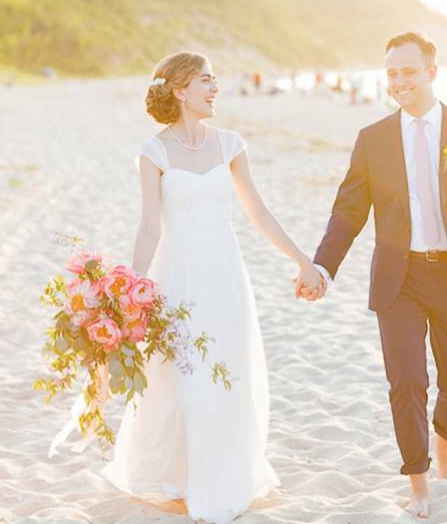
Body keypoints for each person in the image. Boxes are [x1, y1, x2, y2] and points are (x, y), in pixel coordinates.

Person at [297, 31, 447, 518]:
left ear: (432, 73)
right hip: (400, 279)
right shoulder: (372, 140)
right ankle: (418, 478)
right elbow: (348, 212)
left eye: (409, 72)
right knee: (406, 381)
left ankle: (445, 443)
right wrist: (323, 267)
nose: (399, 82)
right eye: (392, 73)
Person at [99, 51, 323, 523]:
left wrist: (302, 259)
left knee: (225, 372)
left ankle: (218, 478)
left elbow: (258, 213)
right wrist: (125, 293)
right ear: (180, 90)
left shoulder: (231, 144)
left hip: (224, 273)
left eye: (215, 80)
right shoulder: (152, 151)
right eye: (206, 80)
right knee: (178, 381)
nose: (215, 87)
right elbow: (148, 230)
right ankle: (177, 478)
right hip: (175, 272)